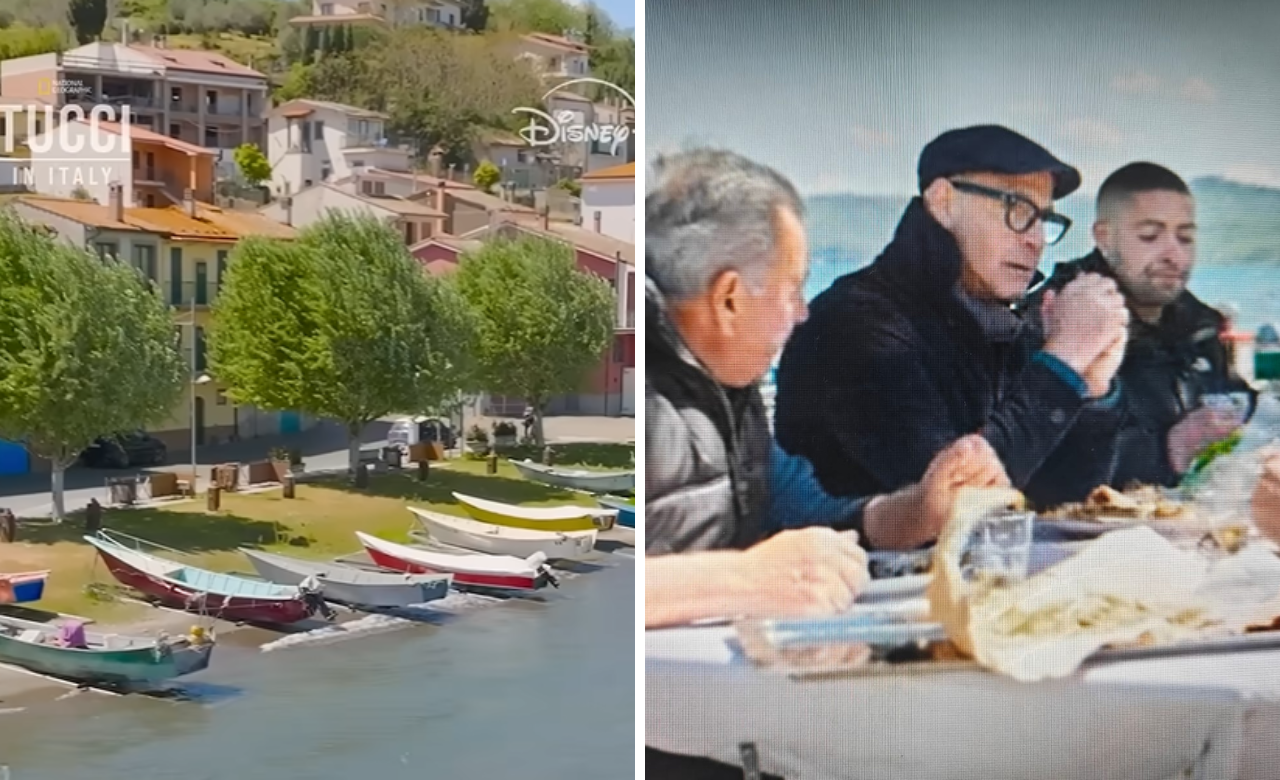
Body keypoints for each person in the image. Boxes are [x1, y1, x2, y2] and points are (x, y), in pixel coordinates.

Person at [645, 148, 1009, 779]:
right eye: (793, 287)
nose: (803, 312)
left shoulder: (730, 389)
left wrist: (916, 511)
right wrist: (747, 580)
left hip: (722, 735)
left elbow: (799, 502)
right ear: (730, 298)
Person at [774, 124, 1130, 512]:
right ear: (943, 203)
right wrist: (1062, 365)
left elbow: (1061, 504)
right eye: (1016, 209)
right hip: (851, 569)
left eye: (1043, 219)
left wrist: (1089, 392)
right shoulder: (855, 325)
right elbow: (953, 505)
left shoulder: (999, 325)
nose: (1037, 239)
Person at [1032, 162, 1256, 488]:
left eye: (1185, 238)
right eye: (1149, 236)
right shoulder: (1055, 317)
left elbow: (1239, 403)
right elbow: (1035, 461)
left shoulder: (1201, 324)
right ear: (1105, 238)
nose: (1173, 254)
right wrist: (1167, 451)